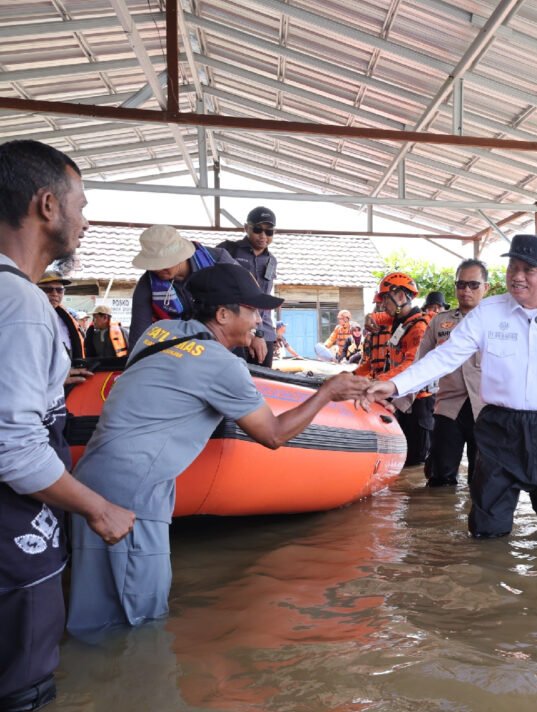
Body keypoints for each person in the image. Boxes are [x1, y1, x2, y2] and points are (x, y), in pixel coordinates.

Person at [66, 263, 367, 638]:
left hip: (88, 486)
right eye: (253, 309)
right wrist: (326, 393)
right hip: (133, 498)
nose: (260, 318)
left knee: (93, 621)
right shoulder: (221, 365)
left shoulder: (159, 333)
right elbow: (272, 434)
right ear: (223, 314)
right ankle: (144, 690)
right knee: (140, 625)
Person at [360, 234, 537, 539]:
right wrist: (393, 385)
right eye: (513, 267)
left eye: (528, 270)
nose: (517, 276)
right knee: (487, 529)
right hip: (500, 428)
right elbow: (444, 357)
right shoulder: (489, 313)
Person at [0, 139, 135, 710]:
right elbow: (13, 449)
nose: (86, 217)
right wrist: (98, 508)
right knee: (23, 683)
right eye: (80, 202)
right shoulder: (23, 305)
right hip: (13, 545)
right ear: (47, 205)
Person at [417, 259, 489, 487]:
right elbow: (421, 365)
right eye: (461, 284)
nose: (466, 290)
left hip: (487, 410)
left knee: (485, 482)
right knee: (440, 479)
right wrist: (397, 401)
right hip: (449, 409)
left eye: (474, 285)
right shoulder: (440, 321)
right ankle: (440, 522)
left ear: (486, 288)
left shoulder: (499, 323)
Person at [358, 272, 433, 467]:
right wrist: (370, 316)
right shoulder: (398, 321)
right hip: (401, 396)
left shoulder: (419, 328)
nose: (383, 305)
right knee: (404, 458)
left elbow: (411, 365)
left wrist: (380, 382)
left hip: (419, 402)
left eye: (385, 299)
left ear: (400, 296)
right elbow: (378, 317)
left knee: (415, 462)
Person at [129, 224, 237, 343]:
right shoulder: (147, 285)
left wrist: (256, 333)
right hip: (179, 350)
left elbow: (249, 297)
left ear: (180, 256)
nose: (158, 269)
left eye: (164, 263)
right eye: (154, 264)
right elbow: (139, 334)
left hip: (226, 342)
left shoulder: (218, 259)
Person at [216, 207, 279, 368]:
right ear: (246, 228)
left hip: (264, 334)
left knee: (264, 386)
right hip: (232, 330)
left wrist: (259, 334)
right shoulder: (227, 250)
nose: (263, 236)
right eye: (258, 229)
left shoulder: (271, 260)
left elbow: (263, 301)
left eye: (269, 231)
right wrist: (252, 334)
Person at [37, 270, 85, 360]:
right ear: (36, 290)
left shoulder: (66, 317)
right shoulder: (27, 317)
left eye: (59, 290)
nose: (55, 294)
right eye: (48, 290)